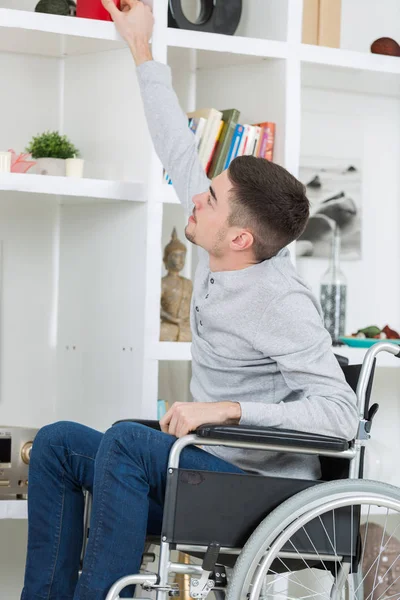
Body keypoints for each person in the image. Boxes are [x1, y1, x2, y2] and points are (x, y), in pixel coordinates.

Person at [21, 1, 358, 598]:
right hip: (204, 470)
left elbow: (339, 415)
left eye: (211, 199)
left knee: (128, 440)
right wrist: (141, 46)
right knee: (56, 444)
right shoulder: (220, 242)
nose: (196, 199)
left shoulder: (279, 300)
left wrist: (226, 409)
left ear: (240, 237)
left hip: (253, 492)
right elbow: (175, 142)